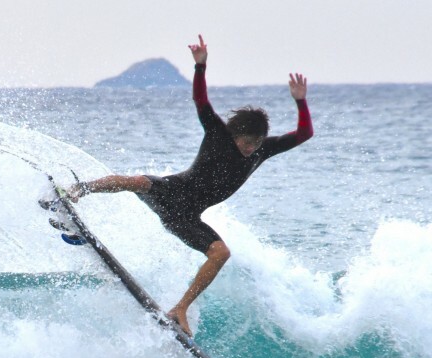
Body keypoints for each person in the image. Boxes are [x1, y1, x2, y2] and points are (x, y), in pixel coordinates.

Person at [68, 35, 313, 336]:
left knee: (221, 253)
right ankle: (78, 190)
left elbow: (304, 134)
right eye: (247, 142)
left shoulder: (262, 150)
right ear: (235, 134)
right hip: (169, 191)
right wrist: (200, 67)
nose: (251, 148)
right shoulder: (218, 134)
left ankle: (180, 308)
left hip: (184, 218)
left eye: (257, 143)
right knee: (135, 182)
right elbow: (201, 101)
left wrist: (300, 101)